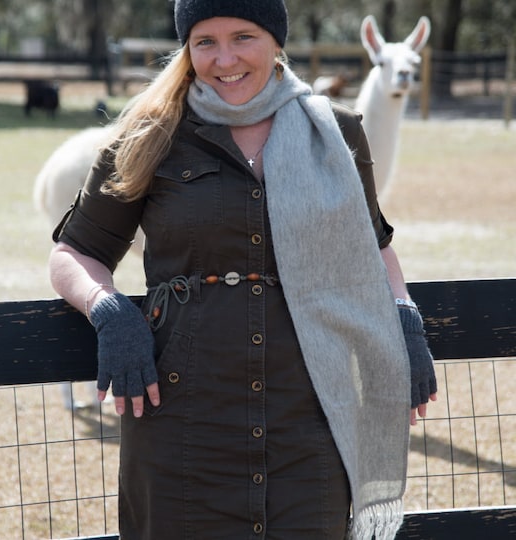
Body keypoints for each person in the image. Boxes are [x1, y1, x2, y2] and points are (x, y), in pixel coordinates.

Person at [48, 1, 437, 538]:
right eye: (205, 41)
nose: (224, 58)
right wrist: (109, 309)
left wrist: (404, 314)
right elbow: (75, 252)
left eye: (243, 37)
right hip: (180, 430)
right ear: (187, 50)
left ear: (276, 40)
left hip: (310, 431)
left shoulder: (338, 134)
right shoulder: (148, 136)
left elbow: (374, 249)